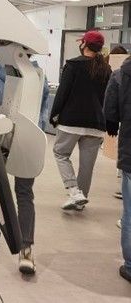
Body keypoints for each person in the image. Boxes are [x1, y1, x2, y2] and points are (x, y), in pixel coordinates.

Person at [0, 60, 50, 275]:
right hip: (23, 138)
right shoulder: (38, 75)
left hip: (3, 138)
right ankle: (24, 249)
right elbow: (42, 112)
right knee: (20, 192)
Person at [50, 30, 111, 212]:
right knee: (87, 166)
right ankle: (79, 200)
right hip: (96, 124)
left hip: (71, 121)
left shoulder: (73, 65)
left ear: (84, 44)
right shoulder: (106, 70)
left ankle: (74, 192)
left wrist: (54, 114)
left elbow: (62, 93)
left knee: (61, 153)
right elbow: (108, 98)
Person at [103, 52, 131, 283]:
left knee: (130, 214)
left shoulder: (121, 75)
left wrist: (112, 125)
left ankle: (130, 266)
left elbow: (110, 111)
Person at [108, 46, 128, 200]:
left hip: (126, 127)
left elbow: (111, 103)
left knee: (127, 167)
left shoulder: (119, 74)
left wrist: (112, 124)